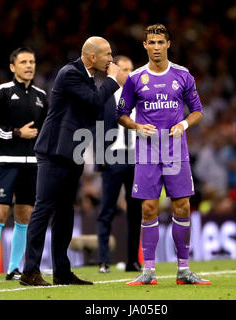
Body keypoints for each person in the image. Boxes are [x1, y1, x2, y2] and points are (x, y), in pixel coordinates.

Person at [20, 37, 120, 286]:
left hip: (72, 152)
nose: (111, 59)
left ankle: (62, 271)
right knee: (43, 209)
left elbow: (94, 109)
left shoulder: (86, 78)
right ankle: (29, 271)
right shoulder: (69, 73)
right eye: (107, 54)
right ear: (92, 57)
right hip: (54, 151)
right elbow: (96, 101)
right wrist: (113, 81)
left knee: (65, 213)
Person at [116, 24, 211, 285]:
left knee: (183, 207)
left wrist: (184, 124)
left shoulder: (182, 75)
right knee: (148, 208)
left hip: (175, 151)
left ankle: (183, 270)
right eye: (151, 42)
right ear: (144, 46)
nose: (156, 47)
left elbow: (197, 110)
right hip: (147, 151)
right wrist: (136, 125)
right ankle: (148, 271)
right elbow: (121, 114)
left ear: (168, 44)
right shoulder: (135, 78)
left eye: (160, 42)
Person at [0, 47, 48, 281]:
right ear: (13, 67)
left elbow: (46, 128)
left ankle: (13, 268)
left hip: (32, 164)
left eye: (32, 61)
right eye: (23, 62)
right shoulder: (1, 91)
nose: (29, 66)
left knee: (24, 216)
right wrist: (16, 133)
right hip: (6, 161)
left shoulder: (41, 96)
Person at [96, 55, 142, 273]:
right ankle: (104, 260)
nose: (129, 73)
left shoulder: (139, 96)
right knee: (107, 210)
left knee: (135, 211)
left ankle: (133, 260)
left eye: (131, 68)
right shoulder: (105, 96)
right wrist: (100, 157)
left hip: (135, 157)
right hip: (112, 158)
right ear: (113, 72)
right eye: (124, 68)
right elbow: (95, 125)